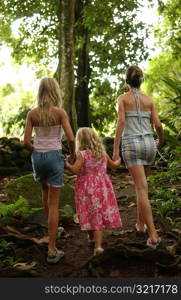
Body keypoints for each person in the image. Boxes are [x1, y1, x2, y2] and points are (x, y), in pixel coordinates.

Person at [24, 77, 75, 263]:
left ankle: (52, 229)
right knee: (54, 204)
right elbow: (70, 138)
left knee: (45, 191)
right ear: (55, 92)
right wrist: (73, 155)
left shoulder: (33, 114)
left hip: (38, 157)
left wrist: (36, 151)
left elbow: (25, 141)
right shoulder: (60, 113)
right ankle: (52, 249)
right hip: (54, 156)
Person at [113, 65, 164, 249]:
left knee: (141, 189)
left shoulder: (123, 99)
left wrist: (115, 149)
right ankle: (141, 225)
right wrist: (160, 140)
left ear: (127, 81)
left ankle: (153, 235)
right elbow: (158, 125)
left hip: (132, 145)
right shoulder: (149, 100)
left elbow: (121, 122)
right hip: (149, 144)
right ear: (141, 81)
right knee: (142, 187)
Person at [66, 127, 122, 256]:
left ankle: (97, 244)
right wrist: (118, 159)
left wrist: (67, 163)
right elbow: (114, 165)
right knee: (98, 212)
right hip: (102, 187)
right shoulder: (101, 153)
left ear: (79, 141)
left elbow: (75, 170)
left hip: (86, 188)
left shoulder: (82, 154)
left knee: (88, 211)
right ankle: (94, 241)